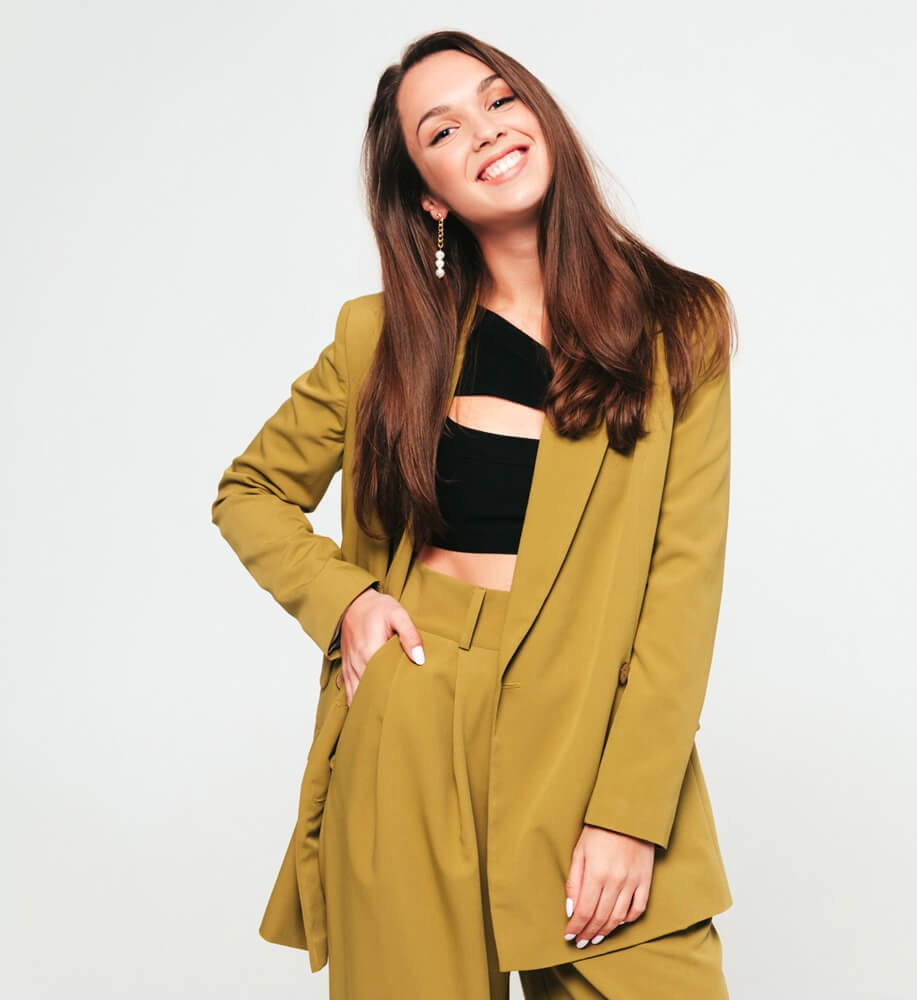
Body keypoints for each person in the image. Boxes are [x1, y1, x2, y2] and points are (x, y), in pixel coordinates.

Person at [211, 28, 738, 1000]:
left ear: (539, 113)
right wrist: (346, 601)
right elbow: (250, 491)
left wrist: (629, 813)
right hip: (411, 722)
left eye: (499, 99)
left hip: (588, 732)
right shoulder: (379, 338)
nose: (486, 129)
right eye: (442, 129)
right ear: (428, 193)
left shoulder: (680, 325)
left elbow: (681, 586)